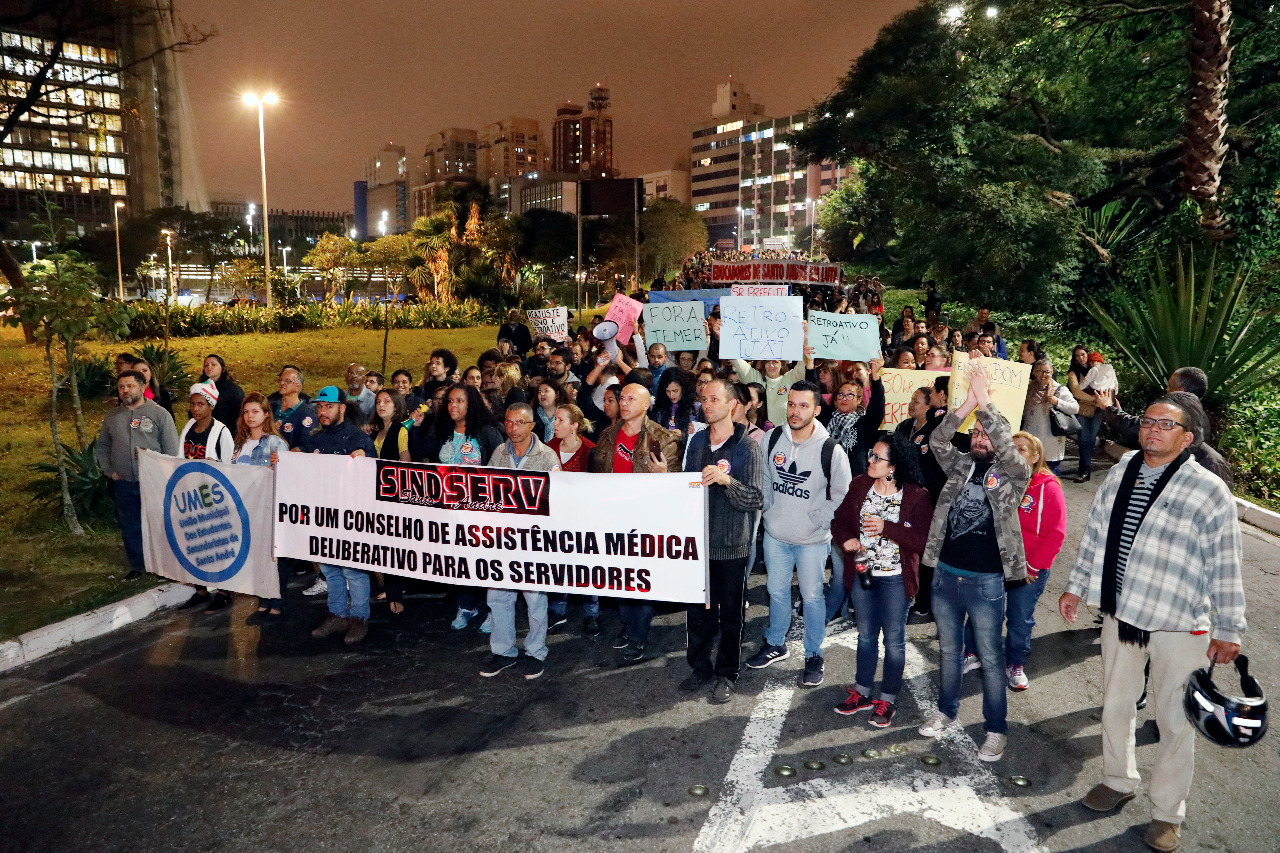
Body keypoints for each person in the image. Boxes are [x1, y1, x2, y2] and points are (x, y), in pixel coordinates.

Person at [1059, 394, 1244, 853]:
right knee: (1115, 704)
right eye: (1148, 421)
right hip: (1121, 611)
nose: (1153, 429)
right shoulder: (1122, 470)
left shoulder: (1207, 490)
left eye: (1166, 424)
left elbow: (1226, 562)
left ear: (1187, 438)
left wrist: (1229, 628)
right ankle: (1118, 780)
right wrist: (1076, 586)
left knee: (1175, 719)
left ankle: (1167, 813)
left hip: (1178, 621)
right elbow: (1096, 533)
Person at [917, 364, 1031, 763]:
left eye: (988, 432)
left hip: (986, 583)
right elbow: (936, 439)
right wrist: (966, 404)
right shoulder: (960, 464)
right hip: (946, 575)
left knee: (991, 658)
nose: (982, 437)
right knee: (950, 652)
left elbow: (1008, 448)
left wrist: (985, 402)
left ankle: (995, 730)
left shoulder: (1014, 473)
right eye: (977, 432)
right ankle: (946, 711)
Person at [746, 381, 852, 688]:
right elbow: (764, 477)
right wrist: (768, 508)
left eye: (803, 406)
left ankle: (814, 654)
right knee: (777, 592)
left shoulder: (831, 450)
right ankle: (775, 643)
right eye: (791, 404)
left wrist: (817, 520)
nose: (795, 411)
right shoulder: (772, 438)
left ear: (816, 410)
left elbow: (843, 495)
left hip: (811, 541)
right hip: (776, 535)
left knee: (812, 597)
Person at [830, 434, 932, 728]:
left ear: (894, 465)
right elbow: (839, 521)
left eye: (877, 457)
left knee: (894, 641)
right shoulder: (860, 485)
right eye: (870, 455)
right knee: (865, 636)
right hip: (863, 574)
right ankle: (861, 692)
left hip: (896, 580)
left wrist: (887, 527)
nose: (870, 461)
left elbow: (922, 541)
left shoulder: (916, 495)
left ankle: (887, 699)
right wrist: (846, 539)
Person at [681, 378, 765, 704]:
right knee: (698, 614)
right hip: (699, 545)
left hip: (732, 547)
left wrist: (727, 481)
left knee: (730, 617)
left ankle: (727, 674)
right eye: (704, 399)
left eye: (714, 399)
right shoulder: (697, 440)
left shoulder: (747, 447)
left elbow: (755, 498)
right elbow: (687, 487)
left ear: (732, 405)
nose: (707, 404)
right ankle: (700, 667)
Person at [961, 431, 1066, 690]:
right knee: (982, 610)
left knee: (1019, 619)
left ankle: (1015, 663)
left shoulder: (1048, 487)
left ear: (1036, 456)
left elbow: (1056, 533)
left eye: (1022, 449)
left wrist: (1032, 566)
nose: (1015, 453)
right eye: (1011, 448)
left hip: (1028, 568)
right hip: (994, 562)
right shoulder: (998, 480)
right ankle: (972, 653)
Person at [591, 383, 680, 663]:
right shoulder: (607, 435)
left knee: (640, 578)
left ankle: (638, 635)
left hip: (646, 519)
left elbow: (679, 487)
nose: (624, 403)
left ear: (646, 405)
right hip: (613, 518)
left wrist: (665, 475)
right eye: (622, 398)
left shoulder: (662, 438)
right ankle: (629, 625)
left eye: (632, 398)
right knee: (620, 577)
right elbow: (594, 478)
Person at [479, 403, 561, 681]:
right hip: (502, 539)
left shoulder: (547, 456)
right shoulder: (499, 453)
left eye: (520, 423)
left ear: (532, 425)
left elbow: (556, 499)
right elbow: (487, 490)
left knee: (534, 598)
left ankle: (536, 651)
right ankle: (503, 650)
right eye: (509, 423)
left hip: (533, 540)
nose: (513, 428)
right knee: (498, 596)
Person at [297, 386, 377, 645]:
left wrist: (365, 458)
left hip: (352, 516)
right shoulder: (315, 439)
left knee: (353, 570)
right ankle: (337, 614)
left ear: (342, 408)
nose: (323, 411)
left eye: (329, 406)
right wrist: (283, 461)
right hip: (324, 515)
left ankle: (359, 617)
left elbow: (375, 474)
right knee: (330, 569)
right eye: (320, 407)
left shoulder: (357, 438)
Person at [422, 383, 505, 631]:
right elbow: (423, 453)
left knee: (487, 561)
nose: (453, 406)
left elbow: (500, 469)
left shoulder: (487, 432)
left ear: (472, 404)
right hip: (450, 510)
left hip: (482, 511)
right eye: (449, 401)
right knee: (459, 560)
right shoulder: (442, 430)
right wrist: (416, 428)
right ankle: (466, 605)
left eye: (459, 401)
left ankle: (494, 609)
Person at [95, 370, 179, 580]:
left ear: (142, 387)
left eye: (130, 386)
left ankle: (164, 567)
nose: (125, 390)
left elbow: (171, 449)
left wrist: (162, 474)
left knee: (158, 525)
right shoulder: (113, 417)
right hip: (123, 482)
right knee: (130, 526)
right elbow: (102, 445)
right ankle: (138, 566)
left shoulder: (159, 414)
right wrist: (109, 471)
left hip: (153, 482)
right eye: (121, 387)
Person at [1094, 366, 1233, 487]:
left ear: (1179, 390)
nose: (1166, 389)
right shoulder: (1200, 415)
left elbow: (1136, 428)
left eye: (1170, 385)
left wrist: (1108, 408)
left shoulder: (1174, 410)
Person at [232, 392, 290, 622]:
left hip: (269, 509)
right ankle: (263, 600)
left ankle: (277, 601)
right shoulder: (240, 444)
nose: (250, 416)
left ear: (266, 414)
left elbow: (287, 478)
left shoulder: (275, 443)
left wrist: (278, 467)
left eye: (255, 411)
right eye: (246, 412)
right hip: (247, 509)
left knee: (272, 559)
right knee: (256, 556)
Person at [547, 404, 600, 635]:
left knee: (586, 566)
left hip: (583, 519)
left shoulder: (590, 449)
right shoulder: (548, 448)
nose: (555, 424)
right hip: (556, 518)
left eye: (560, 420)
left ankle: (592, 613)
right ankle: (557, 610)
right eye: (555, 419)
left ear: (574, 426)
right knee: (558, 565)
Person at [826, 360, 886, 478]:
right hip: (827, 478)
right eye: (841, 394)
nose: (844, 398)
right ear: (835, 399)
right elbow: (814, 394)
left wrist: (875, 376)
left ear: (859, 400)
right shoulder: (827, 418)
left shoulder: (864, 424)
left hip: (853, 480)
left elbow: (877, 406)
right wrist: (810, 365)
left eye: (850, 395)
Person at [1020, 359, 1079, 475]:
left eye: (1046, 371)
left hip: (1051, 441)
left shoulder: (1059, 390)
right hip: (1031, 439)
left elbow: (1075, 408)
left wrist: (1057, 402)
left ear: (1052, 372)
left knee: (1050, 477)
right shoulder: (1028, 389)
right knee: (1029, 477)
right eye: (1039, 371)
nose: (1043, 374)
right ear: (1034, 372)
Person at [731, 357, 807, 432]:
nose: (771, 365)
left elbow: (803, 364)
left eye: (775, 362)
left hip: (784, 434)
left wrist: (806, 354)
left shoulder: (789, 379)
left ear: (782, 364)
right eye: (767, 362)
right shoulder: (756, 378)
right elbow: (737, 363)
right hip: (757, 434)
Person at [1067, 347, 1103, 482]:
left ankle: (1086, 467)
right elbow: (1076, 392)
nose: (1080, 358)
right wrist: (1095, 399)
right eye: (1077, 356)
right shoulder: (1073, 373)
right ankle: (1084, 471)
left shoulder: (1098, 369)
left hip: (1098, 410)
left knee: (1091, 439)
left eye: (1082, 354)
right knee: (1084, 439)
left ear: (1088, 354)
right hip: (1082, 409)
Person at [178, 382, 234, 464]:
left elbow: (229, 465)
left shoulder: (221, 432)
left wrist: (215, 464)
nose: (195, 408)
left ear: (211, 406)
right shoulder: (188, 428)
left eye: (201, 404)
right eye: (192, 404)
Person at [272, 365, 318, 449]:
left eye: (288, 381)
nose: (282, 383)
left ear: (298, 387)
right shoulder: (271, 408)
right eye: (281, 380)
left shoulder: (306, 414)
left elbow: (306, 445)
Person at [198, 354, 244, 434]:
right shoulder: (200, 389)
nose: (209, 367)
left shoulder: (233, 390)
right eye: (206, 365)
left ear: (222, 368)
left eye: (213, 364)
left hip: (228, 433)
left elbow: (241, 413)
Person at [369, 389, 411, 461]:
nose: (381, 405)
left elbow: (405, 461)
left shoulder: (401, 430)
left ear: (396, 406)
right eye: (378, 402)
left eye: (387, 401)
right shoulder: (375, 429)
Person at [533, 379, 568, 444]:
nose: (542, 394)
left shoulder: (566, 414)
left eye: (546, 391)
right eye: (539, 392)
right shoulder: (532, 415)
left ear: (557, 394)